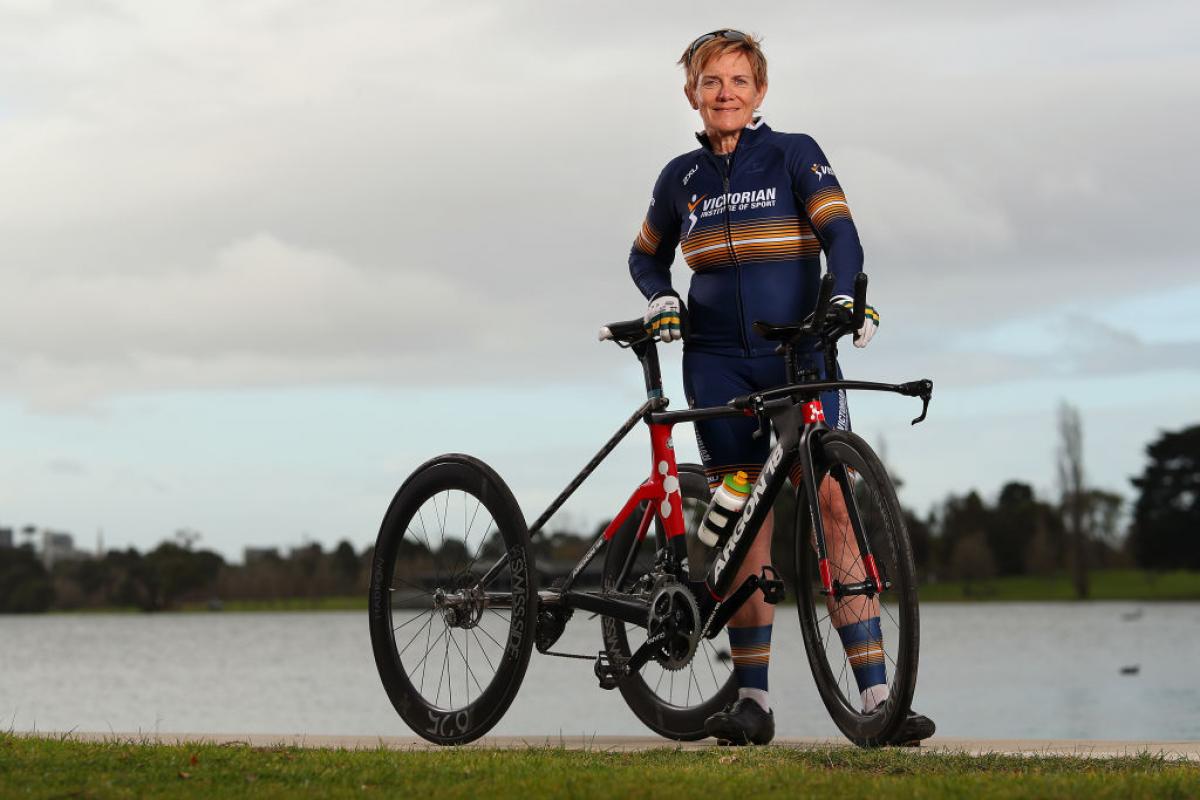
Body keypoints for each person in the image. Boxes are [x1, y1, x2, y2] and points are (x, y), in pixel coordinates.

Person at [628, 29, 934, 746]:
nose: (725, 93)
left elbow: (841, 233)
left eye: (739, 81)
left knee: (832, 502)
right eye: (712, 82)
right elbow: (645, 257)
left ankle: (878, 699)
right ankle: (754, 704)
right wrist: (660, 297)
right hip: (714, 360)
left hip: (799, 355)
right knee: (743, 523)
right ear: (692, 94)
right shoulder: (680, 178)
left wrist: (846, 297)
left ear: (759, 91)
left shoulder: (794, 152)